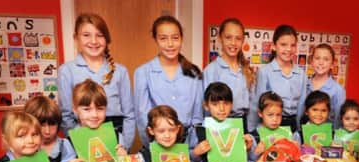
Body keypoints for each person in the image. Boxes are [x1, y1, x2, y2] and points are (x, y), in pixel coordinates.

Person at [58, 13, 135, 150]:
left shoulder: (120, 71)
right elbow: (66, 115)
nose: (93, 41)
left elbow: (129, 114)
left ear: (107, 39)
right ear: (76, 38)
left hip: (116, 137)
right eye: (86, 35)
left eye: (99, 35)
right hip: (83, 135)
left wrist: (124, 146)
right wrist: (82, 142)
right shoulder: (67, 71)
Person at [134, 16, 202, 151]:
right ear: (155, 40)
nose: (170, 44)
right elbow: (142, 116)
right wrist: (153, 146)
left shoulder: (193, 72)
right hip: (157, 144)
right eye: (163, 38)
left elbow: (197, 115)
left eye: (175, 38)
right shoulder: (143, 72)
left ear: (181, 39)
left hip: (188, 144)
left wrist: (192, 147)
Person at [247, 24, 306, 133]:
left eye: (293, 45)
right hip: (270, 125)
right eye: (283, 44)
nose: (289, 49)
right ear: (273, 46)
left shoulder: (301, 74)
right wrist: (253, 131)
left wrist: (298, 129)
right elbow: (258, 103)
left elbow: (302, 105)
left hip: (293, 125)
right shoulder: (265, 72)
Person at [65, 79, 128, 162]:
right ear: (75, 110)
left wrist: (124, 159)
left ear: (106, 109)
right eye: (87, 109)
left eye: (100, 109)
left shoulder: (116, 136)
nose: (94, 115)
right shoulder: (70, 141)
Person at [202, 17, 255, 131]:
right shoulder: (211, 71)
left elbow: (253, 105)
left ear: (243, 41)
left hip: (242, 124)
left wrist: (251, 132)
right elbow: (206, 107)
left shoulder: (248, 71)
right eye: (228, 37)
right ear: (220, 38)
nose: (233, 43)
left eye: (238, 38)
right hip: (219, 125)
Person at [23, 95, 80, 162]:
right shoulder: (26, 146)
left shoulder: (64, 145)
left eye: (52, 124)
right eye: (42, 125)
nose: (47, 131)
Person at [250, 91, 300, 160]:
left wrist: (296, 149)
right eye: (270, 115)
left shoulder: (288, 133)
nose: (275, 119)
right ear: (260, 113)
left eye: (278, 115)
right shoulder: (254, 137)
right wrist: (256, 153)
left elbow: (294, 159)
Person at [307, 43, 346, 128]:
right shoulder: (304, 84)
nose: (321, 62)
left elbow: (338, 119)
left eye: (326, 59)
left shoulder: (338, 90)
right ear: (312, 61)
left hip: (327, 136)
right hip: (305, 133)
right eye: (317, 58)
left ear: (332, 64)